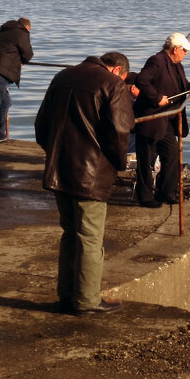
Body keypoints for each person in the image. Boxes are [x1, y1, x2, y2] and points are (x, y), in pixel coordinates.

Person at [34, 51, 134, 316]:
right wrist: (116, 163)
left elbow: (41, 125)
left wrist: (54, 154)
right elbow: (121, 130)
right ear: (117, 70)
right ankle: (88, 301)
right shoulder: (113, 86)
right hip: (91, 174)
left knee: (70, 234)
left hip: (59, 170)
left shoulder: (62, 77)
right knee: (90, 238)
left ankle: (67, 295)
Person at [132, 33, 190, 207]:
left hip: (168, 118)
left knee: (171, 154)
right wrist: (156, 97)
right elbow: (141, 80)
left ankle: (165, 192)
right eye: (184, 50)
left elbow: (185, 87)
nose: (186, 53)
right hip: (151, 118)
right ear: (175, 49)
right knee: (146, 158)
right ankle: (144, 197)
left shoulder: (177, 65)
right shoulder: (156, 61)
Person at [0, 17, 34, 146]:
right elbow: (28, 53)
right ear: (27, 27)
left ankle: (0, 135)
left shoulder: (2, 31)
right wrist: (22, 61)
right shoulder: (22, 32)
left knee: (6, 102)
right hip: (0, 73)